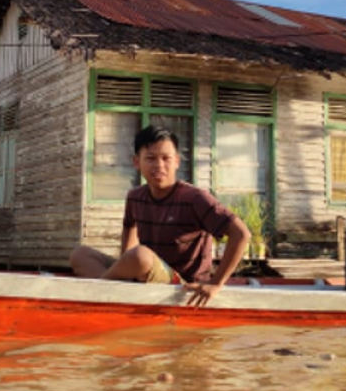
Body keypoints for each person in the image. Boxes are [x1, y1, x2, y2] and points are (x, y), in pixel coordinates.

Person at [69, 125, 250, 307]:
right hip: (145, 274)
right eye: (150, 158)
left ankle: (99, 292)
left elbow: (241, 234)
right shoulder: (135, 197)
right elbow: (129, 235)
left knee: (140, 256)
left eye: (166, 158)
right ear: (136, 162)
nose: (159, 165)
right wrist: (126, 267)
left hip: (182, 285)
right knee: (80, 254)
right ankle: (112, 287)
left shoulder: (195, 198)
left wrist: (216, 284)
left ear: (177, 161)